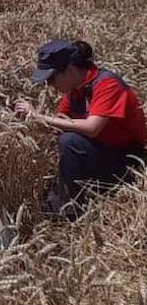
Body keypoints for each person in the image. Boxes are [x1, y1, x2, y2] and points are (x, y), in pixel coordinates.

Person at [14, 39, 147, 217]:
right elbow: (58, 125)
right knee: (66, 140)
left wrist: (39, 116)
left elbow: (92, 128)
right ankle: (64, 202)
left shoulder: (107, 84)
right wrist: (30, 120)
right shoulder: (75, 90)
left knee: (69, 142)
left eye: (51, 78)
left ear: (70, 69)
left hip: (129, 161)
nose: (49, 85)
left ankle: (68, 211)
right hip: (102, 153)